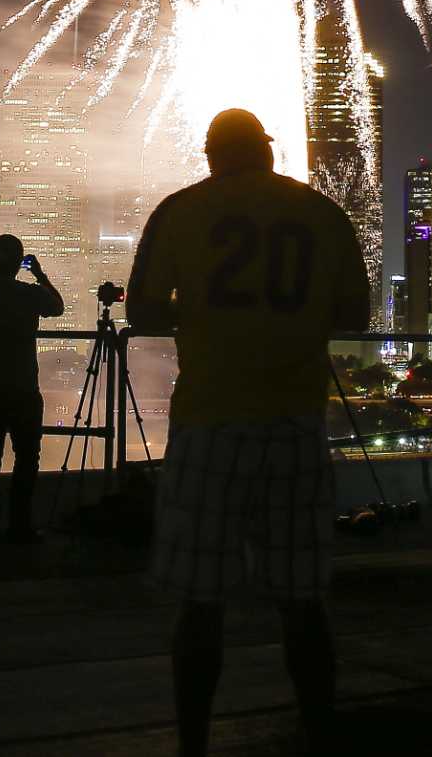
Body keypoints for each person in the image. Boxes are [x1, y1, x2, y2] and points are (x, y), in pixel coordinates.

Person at [126, 108, 371, 757]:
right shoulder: (322, 214)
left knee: (200, 601)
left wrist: (203, 308)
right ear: (267, 151)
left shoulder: (180, 210)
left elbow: (142, 309)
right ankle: (320, 734)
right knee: (302, 601)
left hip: (210, 421)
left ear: (210, 153)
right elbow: (355, 314)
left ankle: (194, 745)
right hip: (294, 421)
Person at [0, 235, 64, 545]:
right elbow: (57, 307)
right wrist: (39, 274)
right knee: (27, 458)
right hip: (22, 387)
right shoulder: (30, 294)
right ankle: (20, 526)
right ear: (19, 263)